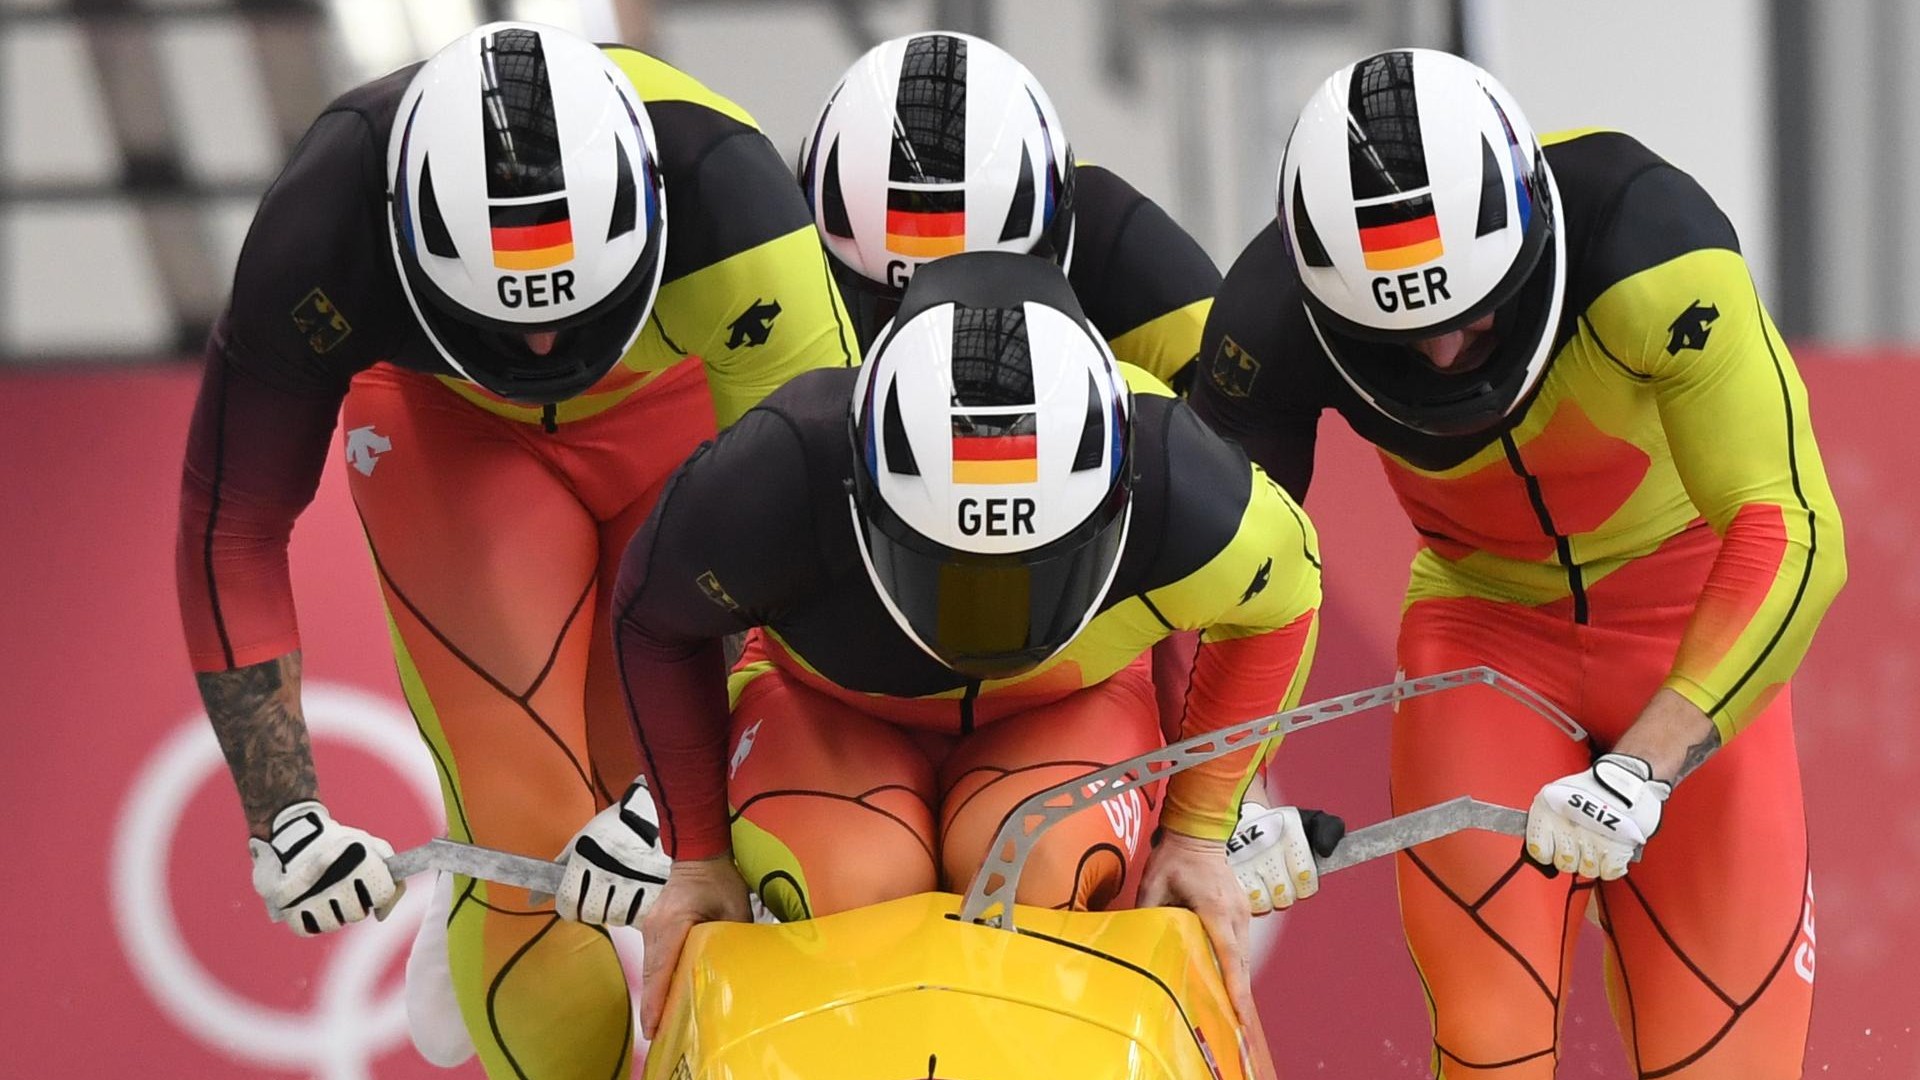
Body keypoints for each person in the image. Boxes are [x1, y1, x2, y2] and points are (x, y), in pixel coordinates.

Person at [175, 21, 857, 1080]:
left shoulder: (733, 199)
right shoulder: (321, 230)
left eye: (575, 315)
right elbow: (235, 524)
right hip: (449, 429)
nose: (546, 352)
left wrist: (682, 796)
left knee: (706, 827)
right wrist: (283, 813)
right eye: (507, 323)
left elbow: (819, 512)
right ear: (406, 244)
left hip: (683, 428)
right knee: (531, 835)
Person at [1189, 48, 1845, 1077]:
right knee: (1489, 1045)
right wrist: (1220, 802)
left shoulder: (1648, 239)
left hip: (1690, 630)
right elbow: (1215, 582)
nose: (1447, 353)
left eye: (1473, 313)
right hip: (1484, 637)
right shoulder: (1269, 319)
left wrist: (1647, 762)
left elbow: (1790, 526)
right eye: (1399, 337)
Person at [552, 252, 1324, 1059]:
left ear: (1115, 502)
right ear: (865, 493)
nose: (989, 624)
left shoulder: (1187, 482)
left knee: (1040, 868)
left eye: (1033, 573)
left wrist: (1201, 833)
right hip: (826, 709)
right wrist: (697, 853)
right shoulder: (778, 471)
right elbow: (656, 616)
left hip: (1064, 711)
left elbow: (1284, 598)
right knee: (853, 880)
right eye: (952, 572)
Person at [797, 31, 1218, 391]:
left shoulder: (1132, 262)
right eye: (893, 309)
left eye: (981, 305)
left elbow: (1232, 455)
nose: (939, 352)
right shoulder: (775, 245)